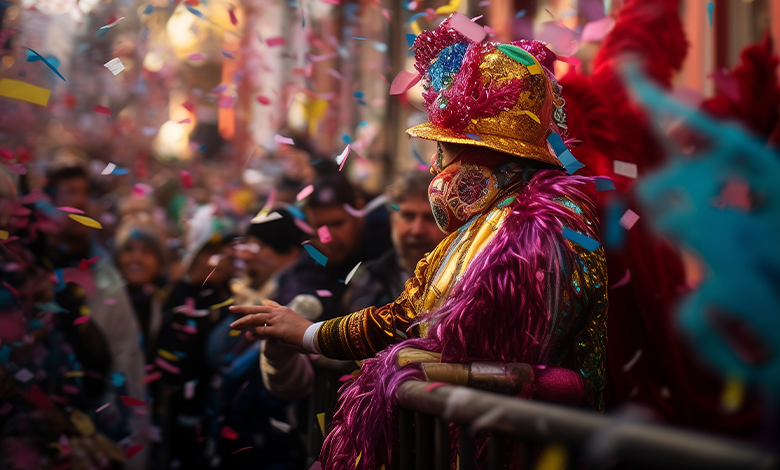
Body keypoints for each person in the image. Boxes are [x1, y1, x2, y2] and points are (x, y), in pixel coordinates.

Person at [231, 18, 607, 470]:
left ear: (482, 159)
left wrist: (307, 333)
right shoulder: (541, 219)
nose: (435, 169)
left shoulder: (518, 232)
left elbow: (413, 322)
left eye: (444, 152)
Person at [41, 164, 150, 468]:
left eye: (85, 193)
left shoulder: (107, 278)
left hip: (94, 432)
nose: (80, 201)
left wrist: (134, 449)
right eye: (69, 193)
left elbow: (127, 361)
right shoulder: (27, 274)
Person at [153, 204, 236, 469]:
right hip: (187, 411)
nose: (225, 259)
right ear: (198, 255)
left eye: (229, 251)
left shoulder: (225, 294)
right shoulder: (181, 298)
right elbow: (170, 361)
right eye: (214, 252)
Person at [271, 168, 392, 320]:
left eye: (337, 224)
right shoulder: (315, 258)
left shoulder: (388, 245)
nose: (327, 237)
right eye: (319, 227)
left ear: (358, 210)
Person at [344, 170, 445, 312]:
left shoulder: (466, 281)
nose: (417, 230)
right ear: (392, 219)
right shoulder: (368, 281)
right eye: (408, 216)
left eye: (430, 217)